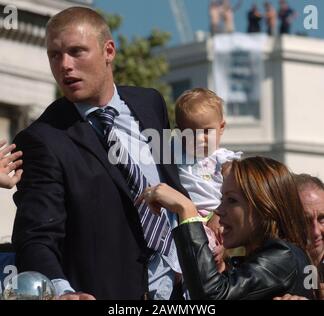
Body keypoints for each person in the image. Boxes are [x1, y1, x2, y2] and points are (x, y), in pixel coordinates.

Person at [12, 7, 188, 300]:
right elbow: (35, 237)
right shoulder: (41, 140)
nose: (65, 65)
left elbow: (172, 184)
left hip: (183, 292)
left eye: (76, 51)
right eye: (54, 55)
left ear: (109, 51)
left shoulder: (150, 104)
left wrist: (201, 239)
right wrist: (60, 291)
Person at [139, 157, 315, 299]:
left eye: (232, 200)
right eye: (221, 199)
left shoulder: (284, 255)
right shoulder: (269, 256)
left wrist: (187, 211)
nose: (219, 211)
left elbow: (212, 297)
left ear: (265, 207)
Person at [173, 88, 241, 269]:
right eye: (191, 133)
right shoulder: (174, 155)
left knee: (210, 257)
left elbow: (240, 193)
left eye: (206, 131)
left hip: (216, 217)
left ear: (221, 128)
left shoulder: (224, 160)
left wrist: (218, 214)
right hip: (185, 218)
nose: (200, 139)